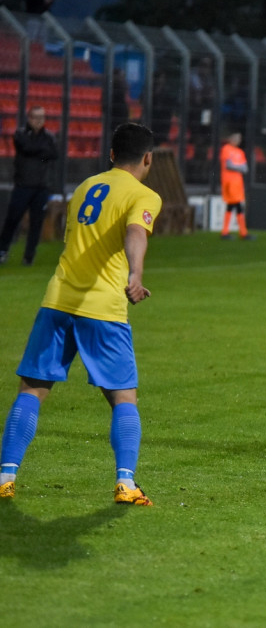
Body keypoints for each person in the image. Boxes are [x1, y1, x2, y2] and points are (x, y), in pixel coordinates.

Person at [0, 123, 162, 506]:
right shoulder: (144, 195)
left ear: (110, 154)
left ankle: (5, 476)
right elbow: (136, 234)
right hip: (103, 308)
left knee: (33, 389)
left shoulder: (85, 187)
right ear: (148, 158)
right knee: (124, 398)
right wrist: (135, 274)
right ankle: (126, 483)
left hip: (57, 300)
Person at [0, 106, 59, 266]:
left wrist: (38, 152)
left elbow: (54, 153)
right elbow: (26, 148)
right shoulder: (20, 134)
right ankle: (3, 249)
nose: (39, 121)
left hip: (41, 187)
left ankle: (29, 256)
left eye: (42, 117)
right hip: (23, 185)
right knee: (13, 219)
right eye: (36, 117)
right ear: (29, 118)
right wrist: (41, 152)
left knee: (36, 222)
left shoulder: (49, 136)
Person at [219, 130, 252, 240]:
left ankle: (229, 232)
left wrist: (236, 166)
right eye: (236, 138)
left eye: (239, 139)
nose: (238, 141)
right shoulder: (226, 149)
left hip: (238, 183)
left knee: (234, 206)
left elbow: (245, 168)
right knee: (236, 205)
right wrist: (239, 167)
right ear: (231, 139)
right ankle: (240, 232)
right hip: (229, 182)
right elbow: (229, 165)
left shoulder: (240, 152)